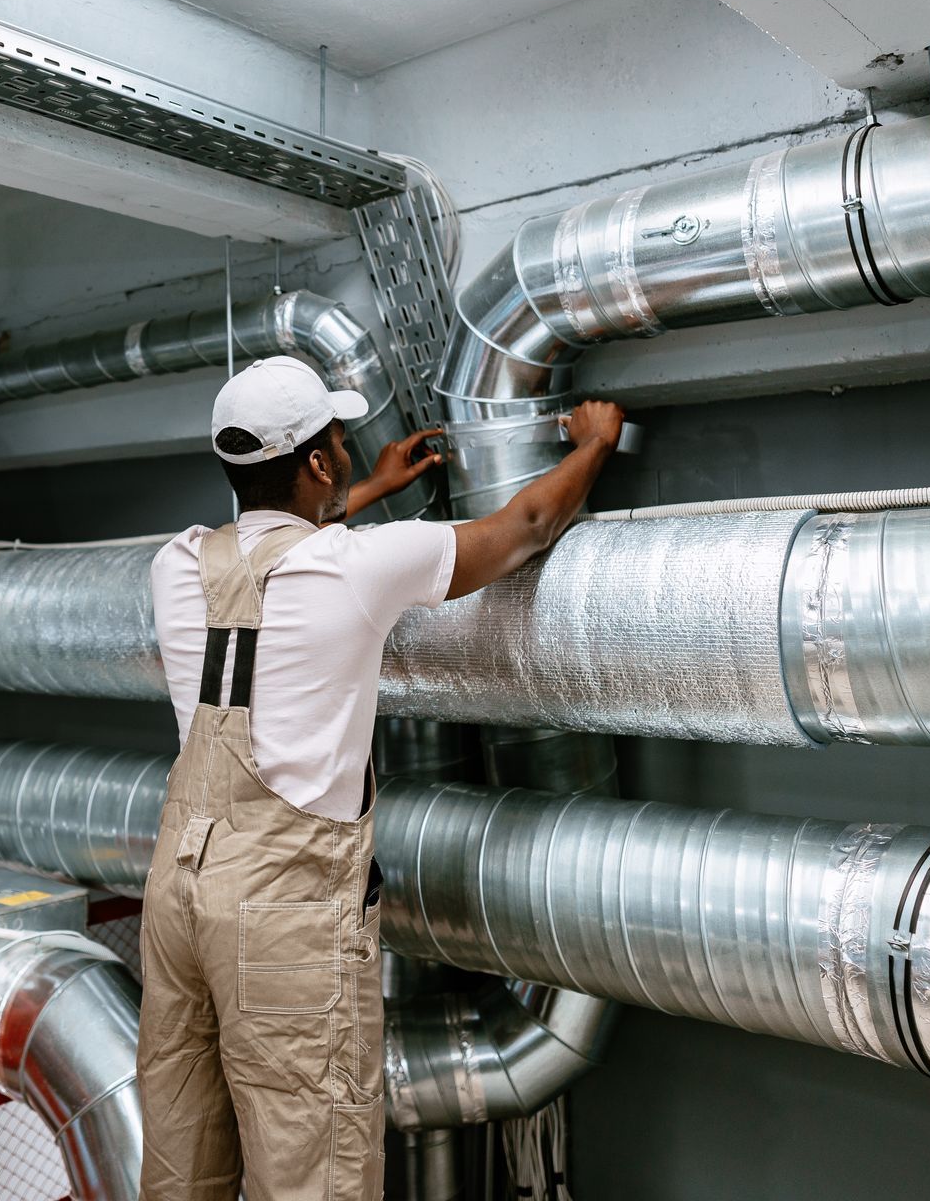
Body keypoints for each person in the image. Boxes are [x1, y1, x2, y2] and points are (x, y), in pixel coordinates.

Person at [137, 355, 625, 1200]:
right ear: (320, 462)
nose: (352, 455)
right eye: (341, 443)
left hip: (177, 896)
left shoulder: (176, 565)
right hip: (281, 916)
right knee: (310, 1167)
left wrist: (359, 496)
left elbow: (273, 559)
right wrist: (594, 443)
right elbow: (531, 524)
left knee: (184, 1161)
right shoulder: (359, 570)